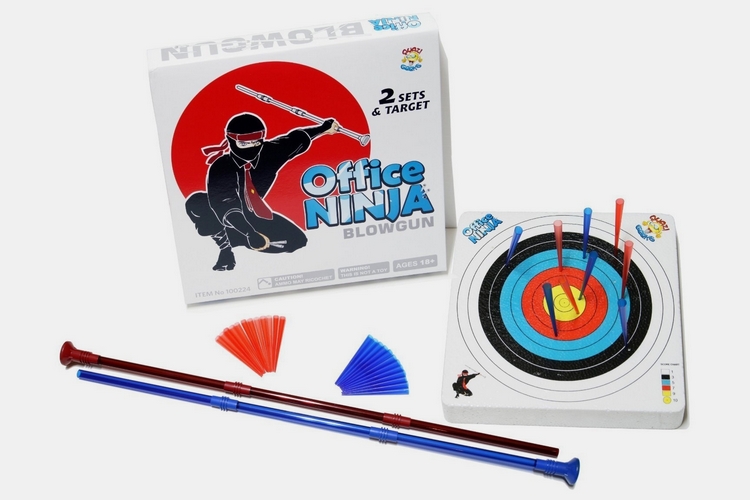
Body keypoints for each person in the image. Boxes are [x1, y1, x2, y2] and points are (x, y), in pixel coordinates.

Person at [185, 112, 338, 271]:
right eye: (244, 144)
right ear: (231, 140)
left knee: (298, 241)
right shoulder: (221, 168)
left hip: (254, 212)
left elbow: (295, 140)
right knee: (196, 202)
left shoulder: (269, 152)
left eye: (256, 142)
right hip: (227, 214)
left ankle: (236, 238)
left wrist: (323, 128)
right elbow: (226, 204)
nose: (251, 148)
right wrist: (249, 233)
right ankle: (226, 248)